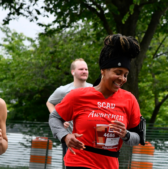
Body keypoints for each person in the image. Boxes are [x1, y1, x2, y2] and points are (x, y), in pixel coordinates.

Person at [49, 34, 145, 169]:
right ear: (103, 71)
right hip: (79, 162)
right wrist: (65, 136)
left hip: (110, 165)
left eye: (125, 75)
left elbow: (138, 138)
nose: (122, 78)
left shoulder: (129, 100)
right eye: (118, 73)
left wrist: (126, 134)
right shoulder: (78, 96)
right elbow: (55, 118)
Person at [46, 58, 92, 158]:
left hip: (90, 139)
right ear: (73, 72)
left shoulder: (94, 89)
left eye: (86, 69)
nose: (84, 71)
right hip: (71, 138)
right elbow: (49, 103)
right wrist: (60, 119)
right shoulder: (63, 90)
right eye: (81, 69)